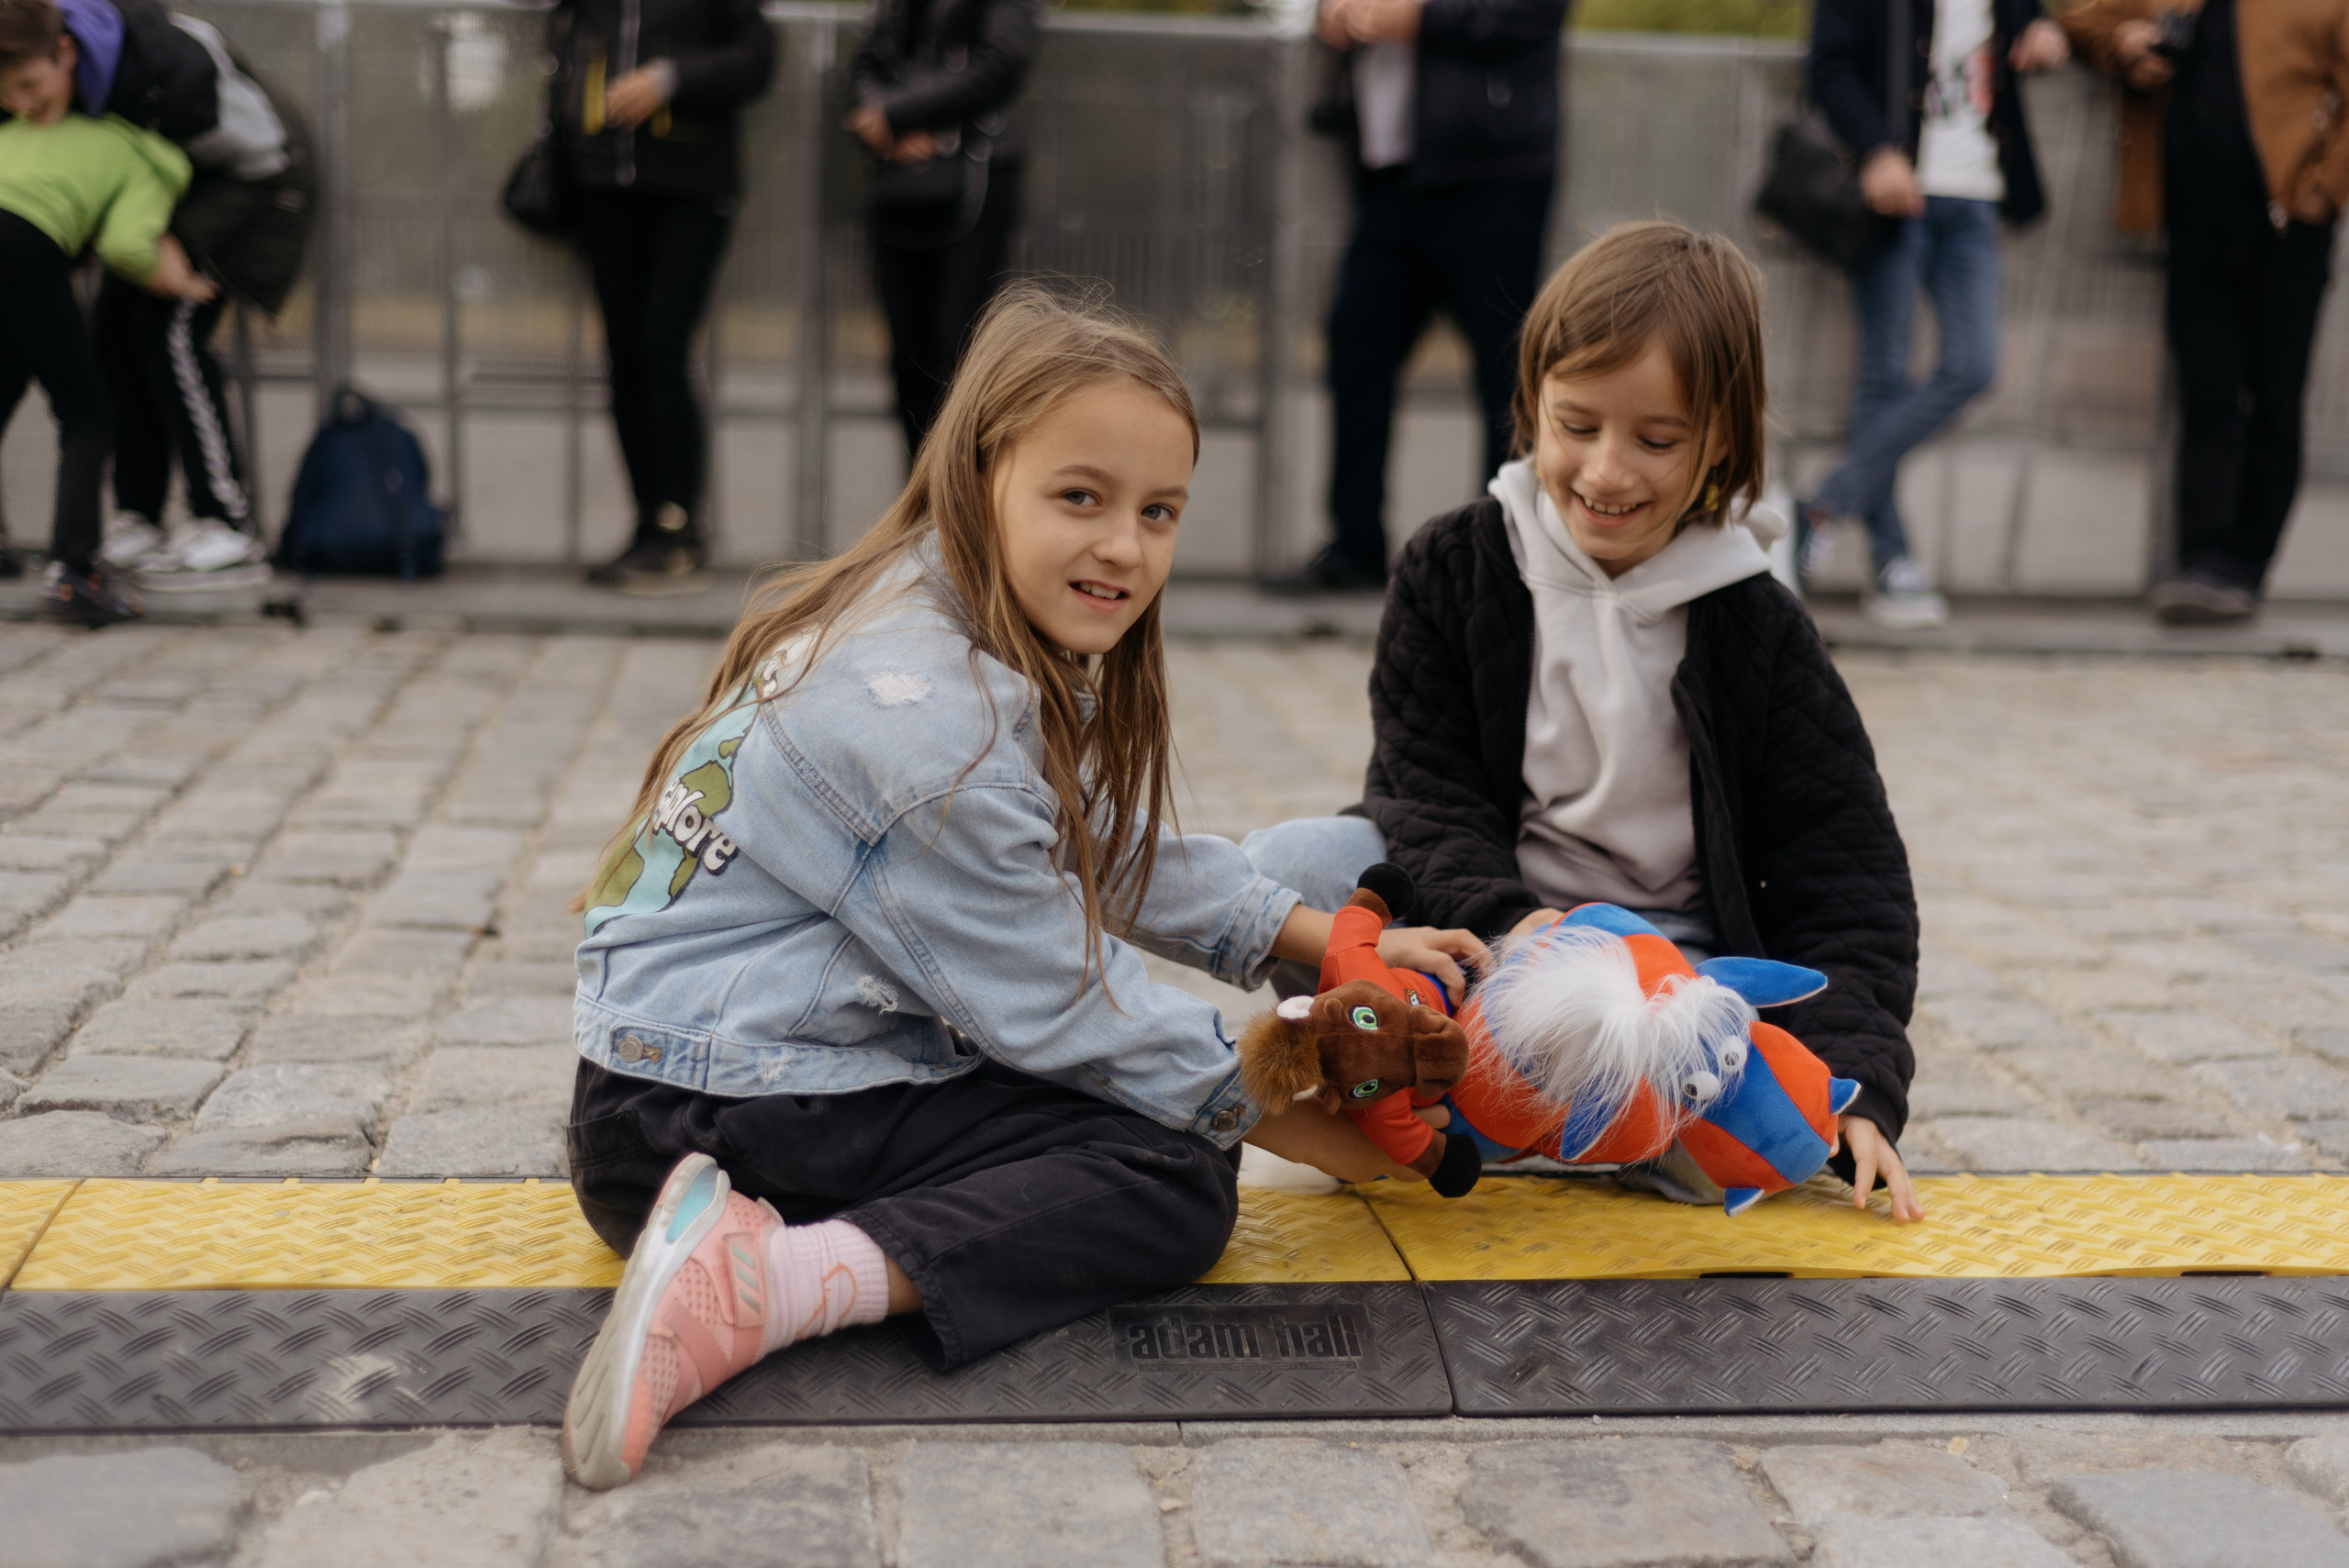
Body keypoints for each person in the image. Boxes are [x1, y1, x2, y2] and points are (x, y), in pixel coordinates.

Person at [556, 286, 1481, 1490]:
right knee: (1171, 1174)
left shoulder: (927, 606)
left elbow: (1085, 834)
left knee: (1148, 1116)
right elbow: (1063, 1004)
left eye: (1158, 511)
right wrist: (1298, 1103)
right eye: (1080, 497)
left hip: (710, 1077)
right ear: (983, 472)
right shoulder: (922, 726)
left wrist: (1308, 937)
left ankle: (761, 1253)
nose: (1124, 547)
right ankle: (763, 1285)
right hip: (707, 1118)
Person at [1241, 222, 1926, 1221]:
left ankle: (1574, 1113)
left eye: (1656, 439)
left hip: (1665, 957)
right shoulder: (1452, 565)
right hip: (1482, 930)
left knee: (1746, 1110)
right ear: (1529, 410)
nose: (1607, 472)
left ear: (1721, 443)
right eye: (1578, 425)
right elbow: (1421, 787)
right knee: (1285, 863)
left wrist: (1858, 1082)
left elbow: (1847, 869)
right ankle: (1439, 1080)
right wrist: (1516, 937)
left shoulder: (1758, 624)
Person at [1265, 0, 1566, 595]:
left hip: (1495, 177)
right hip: (1392, 182)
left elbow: (1532, 14)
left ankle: (1502, 553)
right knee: (1355, 340)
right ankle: (1355, 545)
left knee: (1503, 370)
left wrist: (1419, 19)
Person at [2065, 0, 2349, 626]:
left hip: (2287, 229)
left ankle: (2246, 566)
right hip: (2194, 223)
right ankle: (2202, 563)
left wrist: (2324, 189)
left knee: (2276, 398)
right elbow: (2079, 20)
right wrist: (2128, 46)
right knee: (2208, 394)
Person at [1798, 0, 2069, 628]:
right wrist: (1875, 151)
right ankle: (1893, 564)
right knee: (1883, 376)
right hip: (1898, 192)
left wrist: (2044, 32)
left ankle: (1820, 507)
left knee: (1974, 365)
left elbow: (2036, 23)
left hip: (1976, 191)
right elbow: (1829, 65)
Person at [46, 0, 314, 593]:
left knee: (167, 333)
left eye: (31, 90)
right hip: (176, 199)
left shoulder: (174, 70)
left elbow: (267, 159)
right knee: (111, 328)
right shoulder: (62, 62)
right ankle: (140, 512)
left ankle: (229, 524)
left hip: (260, 190)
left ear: (65, 53)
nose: (24, 106)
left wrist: (180, 239)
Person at [0, 2, 214, 624]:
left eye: (28, 90)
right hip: (27, 251)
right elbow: (125, 244)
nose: (22, 105)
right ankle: (75, 571)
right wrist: (173, 276)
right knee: (85, 410)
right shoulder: (142, 155)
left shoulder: (9, 131)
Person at [551, 0, 774, 596]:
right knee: (623, 355)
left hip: (690, 185)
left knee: (660, 347)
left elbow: (757, 59)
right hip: (601, 181)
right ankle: (649, 523)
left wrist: (669, 78)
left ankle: (682, 530)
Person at [850, 0, 1038, 463]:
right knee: (906, 357)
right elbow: (864, 67)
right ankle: (922, 503)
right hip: (900, 187)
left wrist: (900, 113)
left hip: (976, 179)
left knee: (958, 350)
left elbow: (1003, 61)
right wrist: (884, 123)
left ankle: (964, 501)